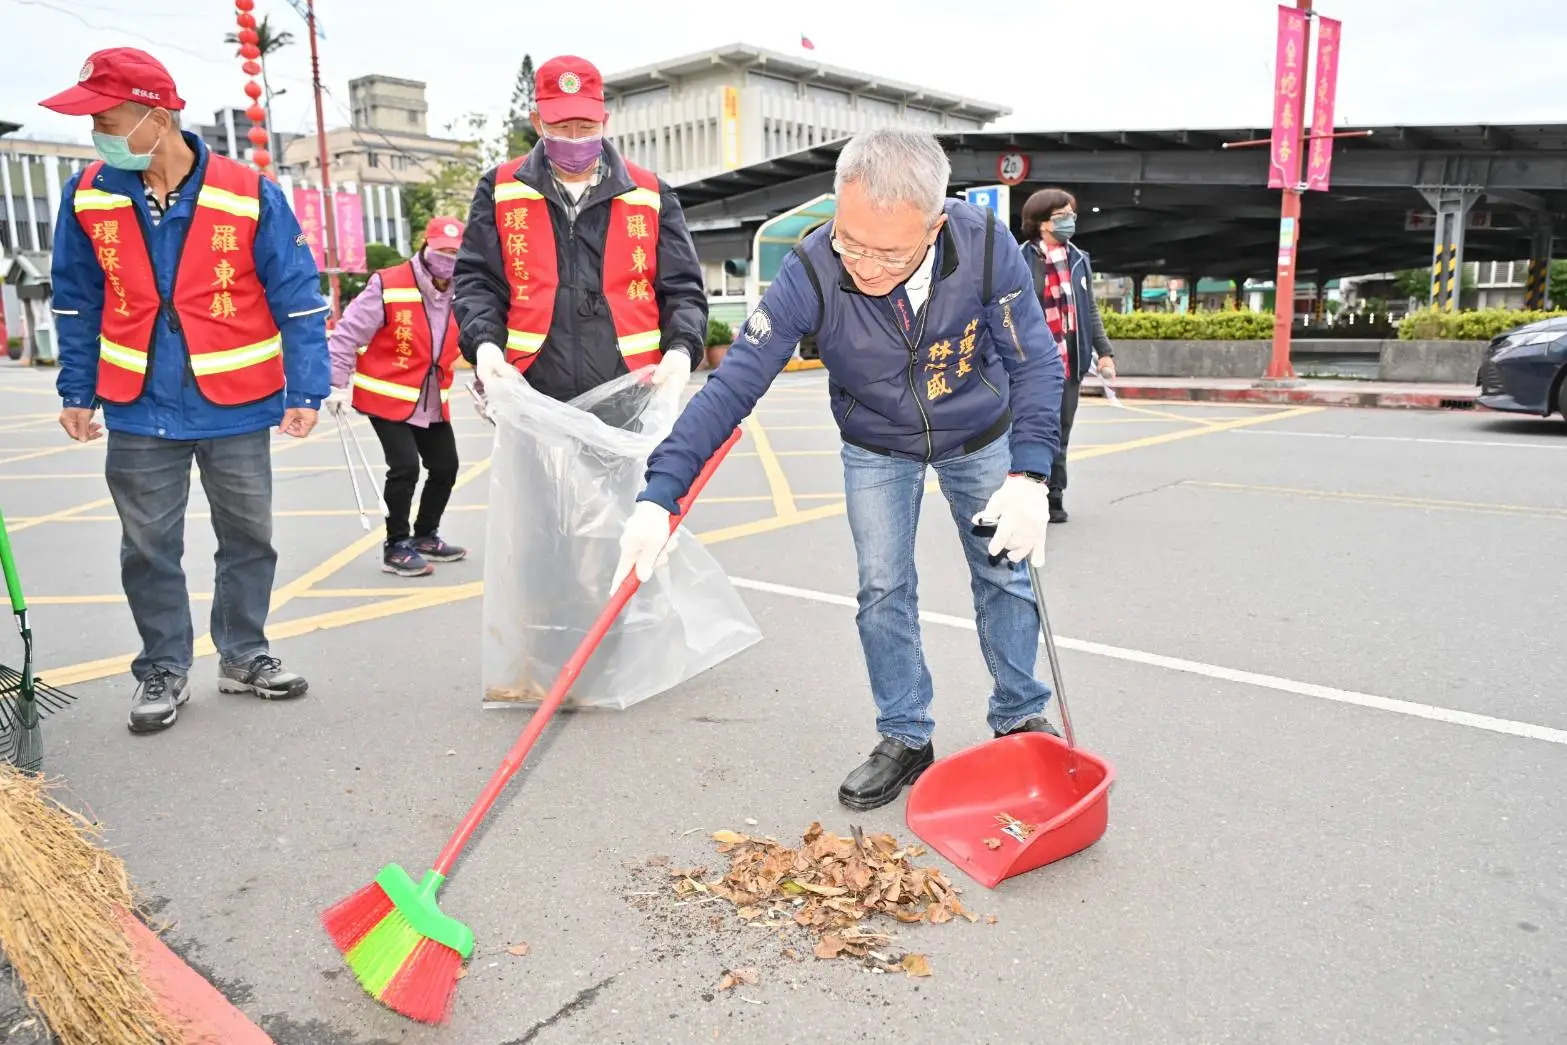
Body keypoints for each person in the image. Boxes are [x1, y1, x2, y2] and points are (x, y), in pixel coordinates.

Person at [613, 127, 1067, 813]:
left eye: (889, 252)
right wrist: (659, 494)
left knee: (1004, 571)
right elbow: (733, 385)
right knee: (883, 586)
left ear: (936, 224)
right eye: (849, 241)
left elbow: (1034, 361)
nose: (863, 265)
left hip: (979, 432)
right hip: (876, 442)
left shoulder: (983, 245)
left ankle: (1017, 716)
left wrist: (1029, 476)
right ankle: (904, 733)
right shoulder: (812, 268)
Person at [43, 47, 330, 735]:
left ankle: (244, 653)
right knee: (147, 546)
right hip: (139, 402)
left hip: (234, 397)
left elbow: (296, 295)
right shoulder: (89, 192)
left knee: (249, 536)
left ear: (157, 114)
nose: (97, 134)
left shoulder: (247, 189)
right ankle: (163, 667)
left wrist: (308, 388)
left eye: (106, 118)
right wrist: (76, 389)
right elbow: (77, 300)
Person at [451, 54, 707, 407]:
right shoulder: (499, 189)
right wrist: (485, 345)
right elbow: (478, 280)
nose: (574, 139)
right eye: (560, 127)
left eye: (586, 127)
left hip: (630, 387)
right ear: (537, 122)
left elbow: (682, 289)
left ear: (605, 121)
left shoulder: (651, 194)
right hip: (528, 385)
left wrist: (681, 350)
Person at [325, 217, 468, 577]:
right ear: (425, 245)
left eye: (456, 252)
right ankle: (396, 545)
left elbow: (476, 337)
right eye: (442, 251)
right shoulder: (388, 284)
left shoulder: (464, 288)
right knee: (404, 467)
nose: (448, 259)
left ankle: (425, 535)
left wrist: (488, 386)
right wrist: (336, 384)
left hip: (430, 397)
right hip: (386, 393)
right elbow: (346, 336)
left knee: (445, 466)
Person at [1019, 187, 1118, 524]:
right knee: (1029, 430)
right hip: (1029, 365)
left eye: (1071, 214)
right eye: (1062, 216)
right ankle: (1025, 491)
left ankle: (1053, 496)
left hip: (1068, 362)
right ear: (1041, 222)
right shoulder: (1020, 258)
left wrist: (1104, 352)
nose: (1070, 221)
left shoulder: (1079, 259)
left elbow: (1089, 311)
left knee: (1060, 432)